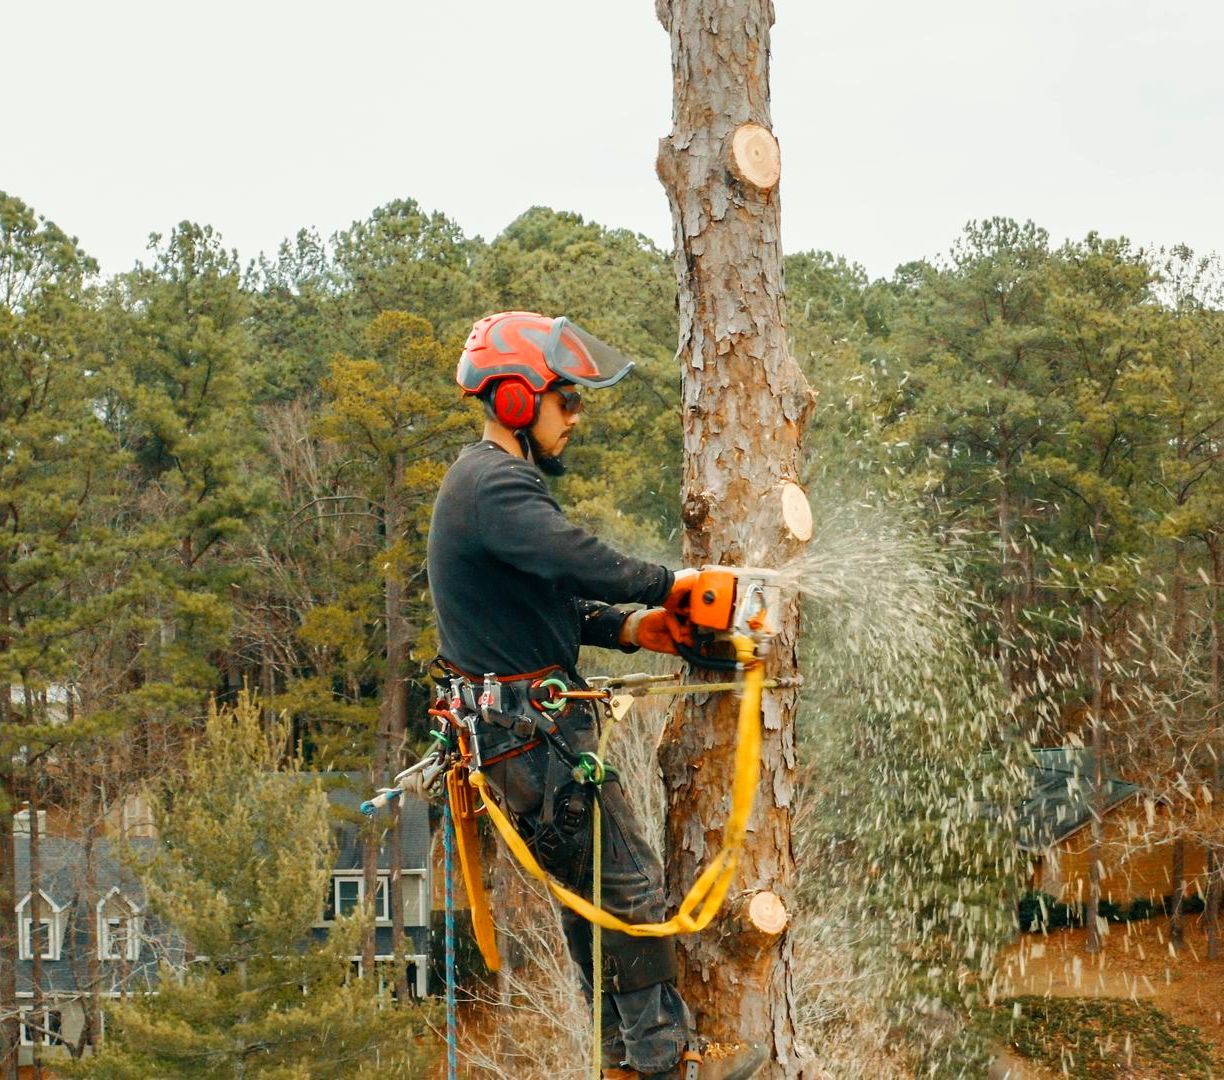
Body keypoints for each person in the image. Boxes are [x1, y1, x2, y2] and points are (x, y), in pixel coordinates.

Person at [426, 312, 765, 1080]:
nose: (575, 417)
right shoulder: (496, 483)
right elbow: (573, 559)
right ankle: (664, 1062)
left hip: (525, 736)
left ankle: (622, 1062)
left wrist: (635, 628)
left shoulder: (486, 487)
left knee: (599, 907)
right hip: (535, 741)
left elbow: (550, 605)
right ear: (515, 400)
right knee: (632, 893)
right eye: (565, 400)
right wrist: (673, 583)